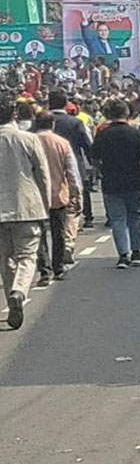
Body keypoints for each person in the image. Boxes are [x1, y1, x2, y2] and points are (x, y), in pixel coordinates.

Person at [0, 97, 50, 331]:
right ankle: (19, 291)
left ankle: (12, 300)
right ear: (14, 114)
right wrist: (46, 206)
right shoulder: (28, 139)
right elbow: (42, 174)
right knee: (27, 257)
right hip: (27, 207)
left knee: (4, 261)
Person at [91, 100, 140, 269]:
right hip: (134, 181)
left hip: (111, 182)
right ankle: (137, 251)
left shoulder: (103, 134)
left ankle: (123, 255)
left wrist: (99, 173)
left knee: (117, 219)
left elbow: (95, 158)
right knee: (135, 216)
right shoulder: (136, 134)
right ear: (127, 114)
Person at [32, 113, 81, 286]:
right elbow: (71, 172)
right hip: (58, 193)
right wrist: (76, 193)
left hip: (36, 195)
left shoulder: (30, 141)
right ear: (52, 124)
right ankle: (58, 267)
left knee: (39, 234)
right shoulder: (62, 143)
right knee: (58, 231)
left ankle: (44, 270)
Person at [48, 90, 92, 228]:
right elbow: (86, 144)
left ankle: (53, 217)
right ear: (66, 104)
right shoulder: (75, 122)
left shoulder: (43, 121)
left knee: (52, 189)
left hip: (49, 162)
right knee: (80, 189)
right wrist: (93, 162)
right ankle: (88, 216)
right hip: (74, 160)